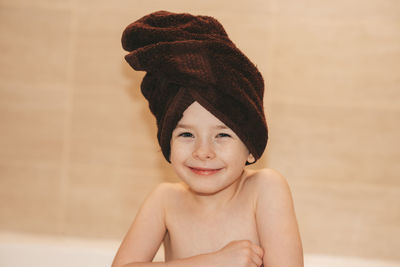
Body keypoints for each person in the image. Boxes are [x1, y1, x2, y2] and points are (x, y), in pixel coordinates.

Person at [112, 11, 303, 267]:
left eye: (222, 135)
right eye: (187, 134)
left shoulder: (264, 190)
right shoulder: (165, 201)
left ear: (250, 147)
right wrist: (211, 262)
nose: (203, 151)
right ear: (168, 143)